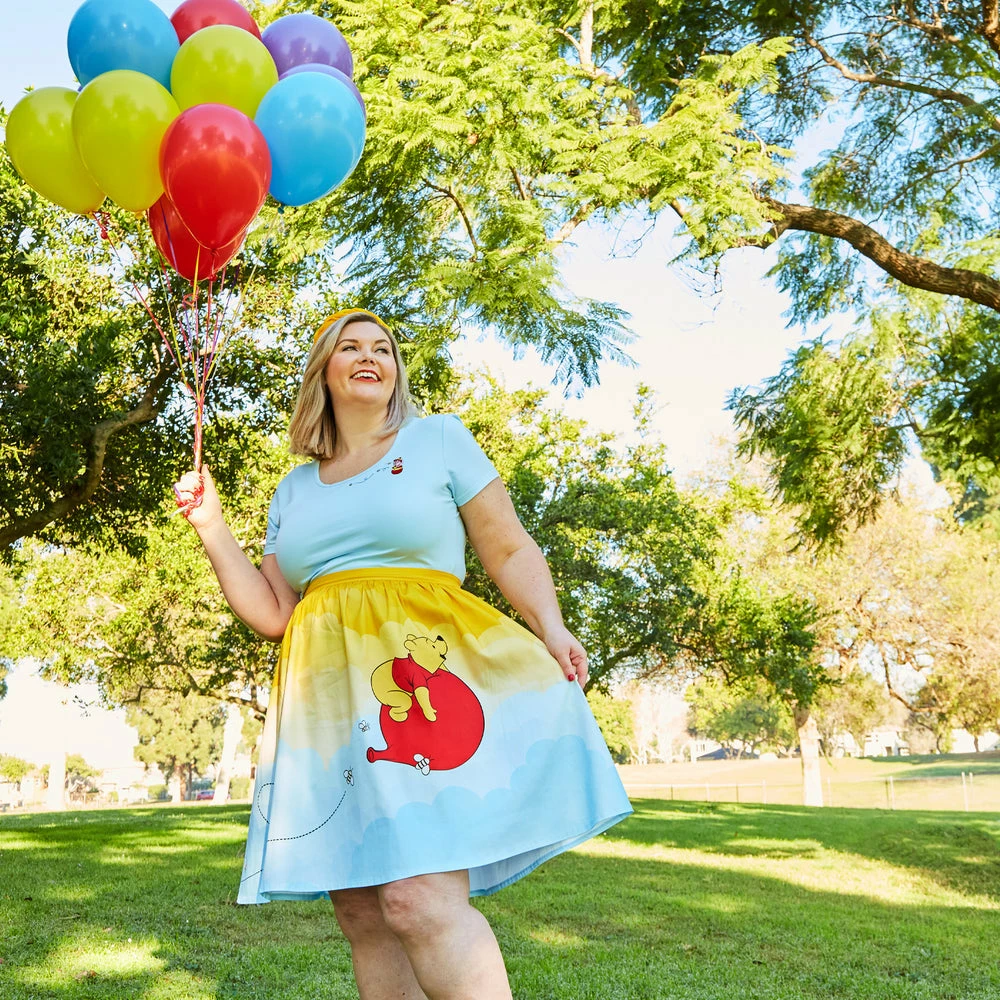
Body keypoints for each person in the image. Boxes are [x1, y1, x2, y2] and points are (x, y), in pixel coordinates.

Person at [174, 308, 632, 999]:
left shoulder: (438, 439)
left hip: (423, 687)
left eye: (382, 348)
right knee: (362, 912)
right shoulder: (293, 490)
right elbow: (273, 612)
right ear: (323, 371)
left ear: (395, 372)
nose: (369, 356)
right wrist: (211, 525)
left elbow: (507, 546)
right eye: (350, 347)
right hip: (331, 703)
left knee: (419, 898)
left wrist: (552, 626)